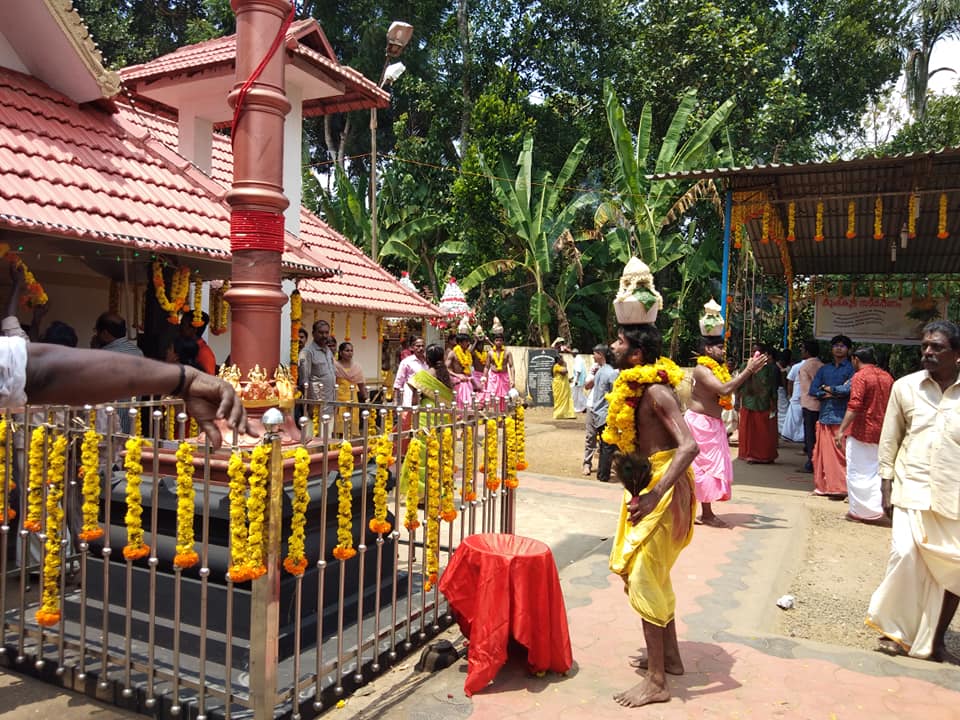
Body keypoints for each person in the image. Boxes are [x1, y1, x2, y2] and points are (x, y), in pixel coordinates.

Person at [603, 257, 698, 708]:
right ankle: (672, 658)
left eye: (619, 340)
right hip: (650, 486)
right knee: (652, 573)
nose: (613, 346)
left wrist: (658, 491)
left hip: (666, 489)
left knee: (643, 575)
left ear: (637, 354)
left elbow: (690, 446)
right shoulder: (635, 388)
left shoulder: (657, 391)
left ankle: (658, 682)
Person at [865, 320, 960, 662]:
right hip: (911, 487)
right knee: (904, 555)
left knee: (952, 569)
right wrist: (885, 482)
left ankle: (934, 641)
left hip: (954, 496)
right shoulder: (905, 387)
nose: (929, 353)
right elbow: (891, 438)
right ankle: (897, 630)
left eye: (937, 347)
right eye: (925, 347)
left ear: (957, 355)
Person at [685, 328, 768, 527]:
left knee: (710, 468)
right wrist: (748, 370)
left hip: (713, 424)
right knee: (700, 468)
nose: (723, 351)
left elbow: (731, 387)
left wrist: (751, 373)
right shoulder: (702, 369)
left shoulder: (717, 369)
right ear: (708, 349)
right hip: (700, 424)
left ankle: (705, 513)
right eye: (720, 347)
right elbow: (724, 389)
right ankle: (699, 513)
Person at [833, 346, 893, 524]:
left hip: (862, 430)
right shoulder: (887, 377)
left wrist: (841, 429)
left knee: (857, 471)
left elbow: (855, 405)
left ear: (855, 360)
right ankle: (878, 508)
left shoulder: (860, 376)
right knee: (876, 471)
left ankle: (860, 511)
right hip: (882, 431)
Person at [809, 335, 853, 496]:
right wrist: (833, 391)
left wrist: (828, 389)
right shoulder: (824, 369)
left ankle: (842, 488)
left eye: (842, 346)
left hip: (842, 418)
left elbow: (849, 389)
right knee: (823, 456)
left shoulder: (851, 369)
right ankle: (825, 487)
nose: (839, 348)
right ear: (831, 348)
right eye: (836, 345)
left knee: (842, 455)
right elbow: (813, 390)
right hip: (825, 415)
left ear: (849, 350)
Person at [737, 343, 779, 464]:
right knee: (749, 432)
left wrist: (774, 403)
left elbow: (772, 388)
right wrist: (736, 401)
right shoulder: (745, 366)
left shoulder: (770, 368)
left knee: (764, 432)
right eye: (754, 351)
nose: (756, 354)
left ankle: (765, 456)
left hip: (763, 404)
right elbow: (739, 385)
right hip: (748, 403)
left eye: (759, 351)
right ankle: (750, 455)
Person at [581, 344, 618, 480]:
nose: (593, 356)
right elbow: (614, 393)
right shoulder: (607, 372)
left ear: (601, 355)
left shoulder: (605, 371)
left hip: (599, 410)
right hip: (602, 411)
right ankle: (601, 473)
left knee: (604, 444)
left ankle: (603, 472)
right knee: (605, 444)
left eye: (595, 353)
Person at [298, 319, 336, 419]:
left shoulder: (328, 351)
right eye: (321, 332)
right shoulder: (307, 352)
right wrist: (310, 404)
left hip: (330, 404)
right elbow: (304, 382)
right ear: (313, 334)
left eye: (326, 332)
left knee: (328, 433)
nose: (324, 335)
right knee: (314, 434)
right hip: (316, 407)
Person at [797, 339, 824, 472]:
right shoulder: (822, 365)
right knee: (819, 435)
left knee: (810, 436)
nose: (801, 352)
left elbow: (808, 388)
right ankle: (818, 461)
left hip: (809, 403)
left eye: (802, 349)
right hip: (822, 404)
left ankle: (811, 463)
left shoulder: (805, 367)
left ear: (807, 351)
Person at [333, 341, 368, 439]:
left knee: (351, 427)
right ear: (340, 352)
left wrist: (366, 398)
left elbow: (361, 384)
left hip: (353, 399)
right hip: (339, 399)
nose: (350, 353)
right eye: (347, 350)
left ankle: (349, 446)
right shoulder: (335, 366)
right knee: (338, 428)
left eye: (351, 351)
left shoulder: (357, 367)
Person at [483, 318, 515, 410]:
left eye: (500, 340)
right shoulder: (490, 353)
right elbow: (486, 366)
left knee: (504, 397)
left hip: (504, 377)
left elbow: (511, 366)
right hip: (493, 377)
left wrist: (513, 379)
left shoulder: (507, 353)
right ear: (494, 341)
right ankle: (493, 416)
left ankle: (503, 416)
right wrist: (484, 378)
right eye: (497, 340)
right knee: (492, 396)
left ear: (503, 341)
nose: (499, 342)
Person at [447, 320, 478, 410]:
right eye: (466, 342)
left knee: (470, 404)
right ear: (460, 343)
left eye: (468, 341)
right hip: (458, 381)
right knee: (460, 405)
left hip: (467, 380)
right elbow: (446, 368)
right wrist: (457, 375)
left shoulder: (467, 353)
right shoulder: (453, 353)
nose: (468, 344)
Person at [393, 335, 427, 407]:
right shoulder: (406, 362)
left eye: (422, 346)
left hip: (425, 396)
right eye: (418, 346)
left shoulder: (428, 362)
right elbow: (398, 382)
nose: (421, 348)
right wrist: (395, 400)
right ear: (412, 348)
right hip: (410, 396)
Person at [180, 310, 216, 374]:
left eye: (183, 324)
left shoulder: (204, 353)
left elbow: (208, 382)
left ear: (194, 329)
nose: (179, 327)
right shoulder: (182, 345)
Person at [781, 350, 805, 443]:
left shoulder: (796, 367)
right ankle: (801, 437)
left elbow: (790, 382)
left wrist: (789, 394)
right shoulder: (819, 365)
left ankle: (789, 435)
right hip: (808, 396)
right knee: (803, 418)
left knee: (793, 417)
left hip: (797, 395)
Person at [551, 355, 575, 419]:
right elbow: (564, 372)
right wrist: (565, 365)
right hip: (559, 386)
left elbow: (564, 375)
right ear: (558, 360)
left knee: (566, 399)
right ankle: (558, 414)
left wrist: (569, 379)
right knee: (560, 400)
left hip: (564, 386)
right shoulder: (556, 366)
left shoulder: (561, 366)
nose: (563, 360)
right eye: (561, 359)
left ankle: (567, 414)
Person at [572, 348, 588, 413]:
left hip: (579, 380)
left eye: (572, 354)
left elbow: (578, 371)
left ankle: (585, 406)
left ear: (574, 354)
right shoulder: (580, 359)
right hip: (580, 379)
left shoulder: (578, 360)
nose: (572, 355)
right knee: (579, 394)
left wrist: (576, 380)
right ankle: (582, 407)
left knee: (577, 394)